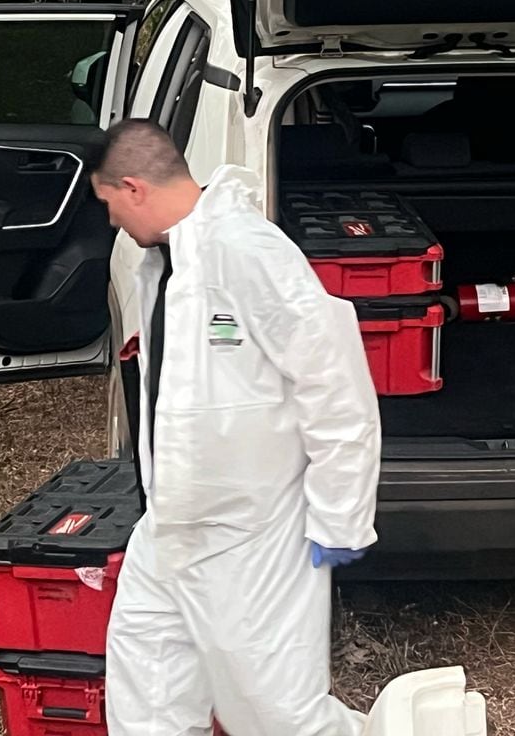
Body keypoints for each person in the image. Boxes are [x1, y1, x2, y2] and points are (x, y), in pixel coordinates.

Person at [90, 119, 380, 736]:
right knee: (148, 692)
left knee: (275, 715)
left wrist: (340, 513)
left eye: (110, 204)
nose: (112, 222)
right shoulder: (169, 262)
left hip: (251, 534)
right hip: (169, 526)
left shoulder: (249, 252)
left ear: (134, 187)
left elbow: (335, 385)